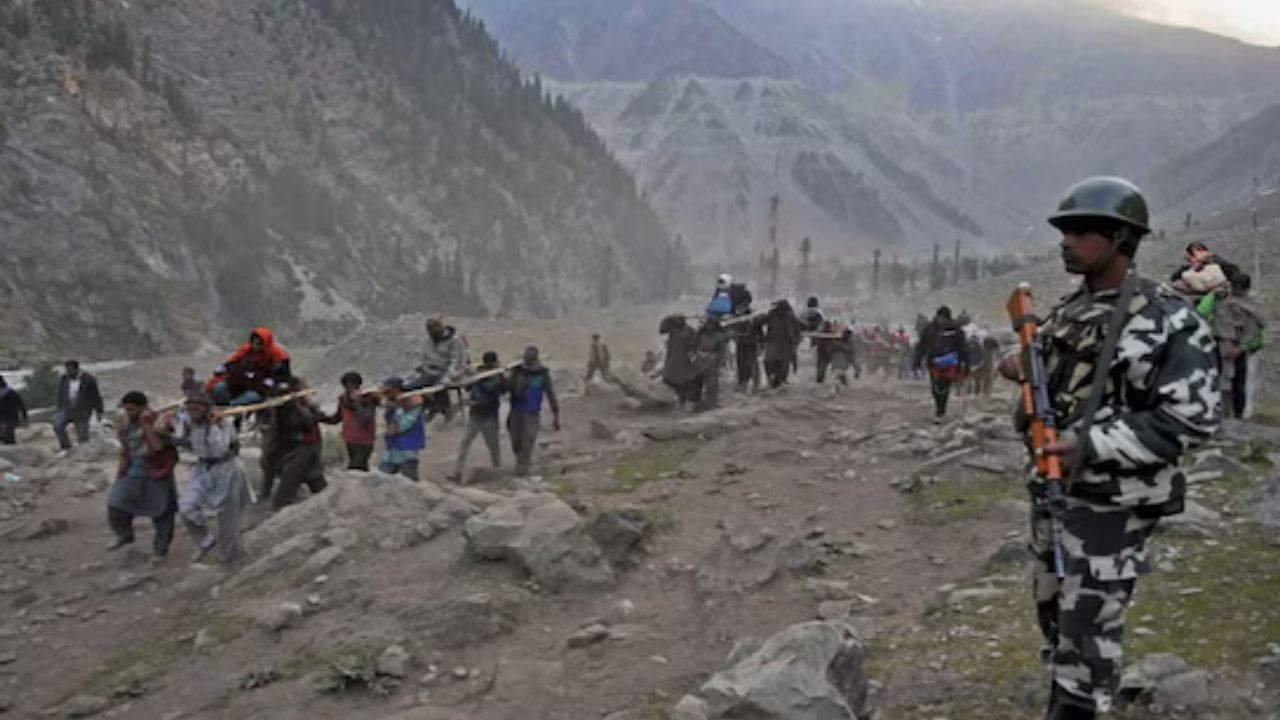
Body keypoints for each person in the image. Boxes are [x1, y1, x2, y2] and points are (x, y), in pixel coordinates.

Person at [999, 176, 1220, 720]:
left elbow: (1190, 418)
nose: (1065, 241)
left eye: (1080, 231)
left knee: (1088, 631)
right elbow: (1058, 380)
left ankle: (1080, 706)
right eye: (1064, 231)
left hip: (1113, 504)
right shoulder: (1073, 309)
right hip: (1056, 493)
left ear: (1120, 237)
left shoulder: (1168, 319)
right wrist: (1021, 366)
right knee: (1055, 617)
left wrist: (1090, 443)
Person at [168, 393, 249, 565]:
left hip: (227, 469)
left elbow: (219, 449)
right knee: (186, 507)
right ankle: (205, 541)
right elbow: (186, 442)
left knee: (228, 518)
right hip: (204, 468)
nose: (192, 413)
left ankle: (231, 557)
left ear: (206, 409)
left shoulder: (224, 424)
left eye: (196, 409)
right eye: (189, 409)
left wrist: (213, 426)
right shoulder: (190, 423)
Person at [106, 392, 178, 563]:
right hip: (134, 469)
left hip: (157, 469)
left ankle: (160, 551)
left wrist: (146, 425)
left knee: (161, 512)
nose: (128, 413)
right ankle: (124, 534)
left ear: (142, 408)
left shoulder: (159, 421)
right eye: (126, 409)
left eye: (131, 409)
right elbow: (125, 451)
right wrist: (119, 477)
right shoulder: (126, 424)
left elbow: (157, 447)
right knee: (115, 503)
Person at [1201, 273, 1265, 419]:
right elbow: (1202, 312)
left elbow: (1256, 329)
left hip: (1243, 347)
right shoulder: (1222, 298)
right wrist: (1212, 296)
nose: (1235, 293)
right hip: (1220, 342)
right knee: (1218, 378)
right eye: (1234, 288)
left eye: (1238, 290)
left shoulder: (1253, 303)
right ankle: (1218, 411)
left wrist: (1241, 348)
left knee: (1238, 381)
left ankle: (1238, 414)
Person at [267, 380, 327, 508]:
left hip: (305, 449)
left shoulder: (305, 406)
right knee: (313, 477)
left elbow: (310, 421)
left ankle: (280, 506)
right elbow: (278, 431)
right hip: (295, 448)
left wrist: (296, 405)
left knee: (292, 482)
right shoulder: (281, 411)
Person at [451, 352, 506, 483]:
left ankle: (497, 470)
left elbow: (499, 389)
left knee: (493, 445)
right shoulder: (478, 374)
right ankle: (457, 473)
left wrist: (478, 378)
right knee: (465, 443)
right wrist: (468, 377)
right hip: (475, 415)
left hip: (489, 415)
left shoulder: (497, 377)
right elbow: (467, 387)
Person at [507, 346, 560, 476]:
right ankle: (521, 462)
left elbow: (551, 394)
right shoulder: (517, 371)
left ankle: (523, 467)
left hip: (532, 412)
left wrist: (556, 416)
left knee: (528, 440)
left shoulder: (542, 374)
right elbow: (506, 386)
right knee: (516, 442)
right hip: (516, 411)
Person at [206, 328, 291, 406]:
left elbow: (282, 374)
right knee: (219, 388)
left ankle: (230, 407)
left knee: (252, 397)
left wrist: (272, 381)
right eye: (253, 342)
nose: (255, 346)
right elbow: (233, 362)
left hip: (258, 388)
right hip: (241, 383)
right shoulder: (247, 350)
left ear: (265, 344)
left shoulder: (276, 355)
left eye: (259, 344)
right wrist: (224, 368)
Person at [411, 315, 470, 422]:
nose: (431, 333)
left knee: (440, 385)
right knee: (412, 387)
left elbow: (457, 362)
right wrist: (422, 369)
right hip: (431, 372)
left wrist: (449, 376)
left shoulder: (455, 340)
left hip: (448, 371)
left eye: (433, 329)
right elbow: (424, 359)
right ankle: (433, 406)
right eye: (429, 330)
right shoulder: (428, 341)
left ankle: (445, 410)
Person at [914, 306, 967, 422]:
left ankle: (941, 409)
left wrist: (964, 362)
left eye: (944, 318)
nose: (941, 320)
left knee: (944, 385)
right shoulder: (929, 329)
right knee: (935, 387)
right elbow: (921, 346)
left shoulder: (955, 329)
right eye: (940, 318)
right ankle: (939, 404)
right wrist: (916, 362)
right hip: (933, 361)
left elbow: (962, 346)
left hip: (950, 362)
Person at [319, 372, 378, 471]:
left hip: (365, 440)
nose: (348, 389)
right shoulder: (343, 399)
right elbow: (336, 418)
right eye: (346, 386)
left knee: (357, 467)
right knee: (356, 466)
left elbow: (365, 418)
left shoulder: (368, 399)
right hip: (350, 439)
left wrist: (358, 401)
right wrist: (319, 417)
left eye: (351, 386)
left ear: (358, 386)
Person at [379, 377, 426, 481]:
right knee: (381, 478)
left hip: (408, 447)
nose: (386, 394)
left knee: (410, 481)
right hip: (393, 448)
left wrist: (396, 410)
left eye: (388, 391)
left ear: (396, 389)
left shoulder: (413, 403)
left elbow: (406, 423)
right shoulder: (393, 404)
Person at [55, 360, 104, 451]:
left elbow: (95, 395)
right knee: (58, 426)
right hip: (66, 408)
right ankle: (66, 447)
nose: (68, 372)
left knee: (83, 435)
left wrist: (99, 410)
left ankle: (84, 452)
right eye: (66, 370)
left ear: (76, 369)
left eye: (70, 370)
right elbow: (60, 394)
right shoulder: (64, 379)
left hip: (82, 410)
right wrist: (59, 407)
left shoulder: (88, 379)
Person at [689, 317, 728, 410]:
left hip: (711, 361)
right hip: (698, 360)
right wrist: (692, 357)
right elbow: (692, 345)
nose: (709, 327)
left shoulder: (719, 336)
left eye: (712, 325)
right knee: (696, 383)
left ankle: (711, 403)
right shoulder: (699, 334)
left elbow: (722, 351)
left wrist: (720, 363)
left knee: (712, 384)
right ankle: (696, 402)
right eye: (708, 325)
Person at [659, 315, 697, 407]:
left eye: (680, 320)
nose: (679, 322)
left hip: (683, 358)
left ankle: (682, 401)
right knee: (669, 379)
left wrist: (690, 350)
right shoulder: (672, 328)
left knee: (682, 382)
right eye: (677, 320)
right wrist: (668, 318)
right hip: (672, 358)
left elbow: (695, 343)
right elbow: (661, 330)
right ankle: (668, 400)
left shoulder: (689, 330)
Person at [762, 300, 802, 388]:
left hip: (783, 345)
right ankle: (775, 381)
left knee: (779, 367)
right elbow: (761, 321)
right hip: (776, 345)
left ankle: (778, 381)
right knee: (773, 365)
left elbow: (798, 329)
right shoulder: (773, 315)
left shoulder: (789, 317)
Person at [0, 375, 27, 445]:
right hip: (12, 419)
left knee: (7, 438)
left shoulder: (11, 393)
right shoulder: (12, 392)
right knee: (9, 438)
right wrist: (25, 417)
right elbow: (21, 406)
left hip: (7, 420)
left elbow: (21, 406)